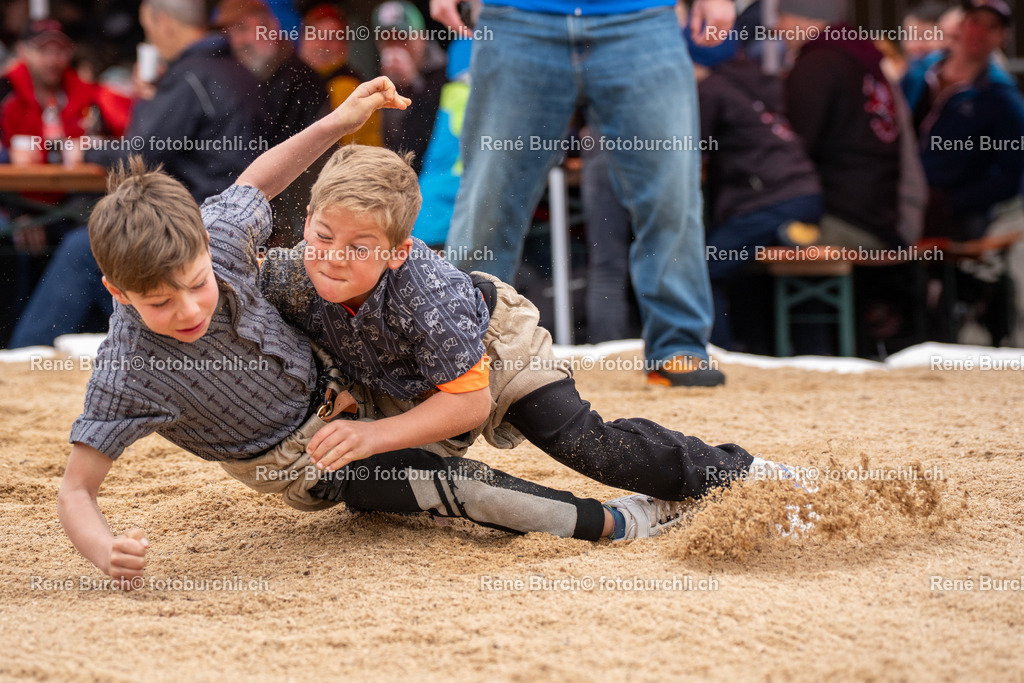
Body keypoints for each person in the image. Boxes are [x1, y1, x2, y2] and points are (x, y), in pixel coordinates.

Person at [57, 78, 731, 587]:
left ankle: (730, 471)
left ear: (207, 249)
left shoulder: (225, 240)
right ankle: (620, 521)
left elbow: (257, 181)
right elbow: (76, 489)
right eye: (159, 301)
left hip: (397, 376)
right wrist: (102, 548)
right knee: (463, 489)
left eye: (196, 282)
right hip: (308, 461)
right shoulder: (128, 370)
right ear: (117, 292)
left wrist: (340, 122)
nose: (187, 307)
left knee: (569, 433)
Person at [256, 145, 790, 532]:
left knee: (581, 444)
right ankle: (616, 518)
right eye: (324, 235)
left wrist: (374, 435)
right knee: (372, 487)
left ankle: (748, 475)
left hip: (496, 343)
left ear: (398, 252)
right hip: (403, 375)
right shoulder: (287, 274)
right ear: (307, 220)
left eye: (359, 247)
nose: (333, 257)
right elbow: (227, 271)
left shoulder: (427, 296)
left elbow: (469, 404)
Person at [430, 0, 734, 387]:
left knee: (672, 195)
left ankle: (678, 346)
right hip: (517, 16)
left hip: (641, 17)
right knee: (488, 199)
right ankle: (461, 349)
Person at [8, 0, 265, 348]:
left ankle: (24, 355)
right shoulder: (235, 70)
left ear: (163, 23)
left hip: (198, 221)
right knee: (85, 241)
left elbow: (137, 155)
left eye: (148, 29)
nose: (150, 39)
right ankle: (109, 346)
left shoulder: (190, 76)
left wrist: (86, 150)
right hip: (236, 219)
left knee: (83, 247)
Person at [698, 3, 823, 351]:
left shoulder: (712, 87)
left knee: (702, 266)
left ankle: (720, 352)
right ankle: (812, 349)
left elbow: (692, 150)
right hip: (805, 192)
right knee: (747, 265)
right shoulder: (762, 77)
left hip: (766, 198)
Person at [780, 0, 906, 250]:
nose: (777, 28)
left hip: (841, 219)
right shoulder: (860, 56)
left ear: (804, 19)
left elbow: (796, 146)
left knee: (745, 249)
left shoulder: (818, 62)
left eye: (782, 17)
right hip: (879, 215)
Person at [902, 0, 1024, 242]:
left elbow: (1011, 175)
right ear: (960, 25)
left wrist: (953, 202)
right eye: (974, 21)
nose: (979, 32)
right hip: (903, 193)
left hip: (954, 211)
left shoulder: (1002, 98)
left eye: (991, 27)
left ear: (1002, 37)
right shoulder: (919, 73)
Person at [213, 0, 329, 245]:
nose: (238, 41)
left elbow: (289, 162)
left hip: (294, 228)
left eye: (244, 29)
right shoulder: (246, 80)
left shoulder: (300, 82)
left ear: (271, 27)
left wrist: (277, 230)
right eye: (229, 34)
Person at [373, 0, 446, 174]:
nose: (396, 48)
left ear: (422, 38)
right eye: (388, 41)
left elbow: (431, 135)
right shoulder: (376, 77)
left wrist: (413, 84)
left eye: (403, 38)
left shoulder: (446, 72)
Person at [299, 3, 383, 148]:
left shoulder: (347, 87)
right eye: (316, 35)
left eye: (332, 38)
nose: (322, 44)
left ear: (345, 46)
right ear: (302, 39)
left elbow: (363, 150)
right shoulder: (288, 78)